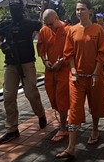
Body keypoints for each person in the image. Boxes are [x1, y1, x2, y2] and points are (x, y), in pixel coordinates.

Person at [56, 0, 104, 159]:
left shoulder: (98, 30)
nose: (79, 12)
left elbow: (102, 54)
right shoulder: (72, 30)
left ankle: (95, 130)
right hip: (77, 78)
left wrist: (95, 73)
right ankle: (71, 147)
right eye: (77, 9)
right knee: (74, 110)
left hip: (95, 75)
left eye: (83, 9)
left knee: (97, 103)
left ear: (90, 11)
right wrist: (73, 72)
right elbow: (68, 53)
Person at [0, 0, 47, 144]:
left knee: (31, 94)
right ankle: (12, 129)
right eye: (12, 8)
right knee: (8, 97)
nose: (14, 10)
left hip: (27, 64)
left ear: (22, 9)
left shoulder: (30, 23)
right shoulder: (5, 25)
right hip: (10, 66)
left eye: (17, 8)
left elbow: (46, 30)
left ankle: (41, 114)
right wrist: (3, 45)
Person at [37, 9, 70, 142]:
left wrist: (61, 61)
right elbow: (41, 48)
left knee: (62, 96)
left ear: (57, 18)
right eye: (46, 24)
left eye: (50, 24)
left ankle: (63, 129)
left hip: (64, 69)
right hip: (50, 70)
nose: (49, 27)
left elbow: (72, 50)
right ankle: (65, 119)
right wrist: (45, 61)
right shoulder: (44, 31)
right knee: (53, 96)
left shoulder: (68, 30)